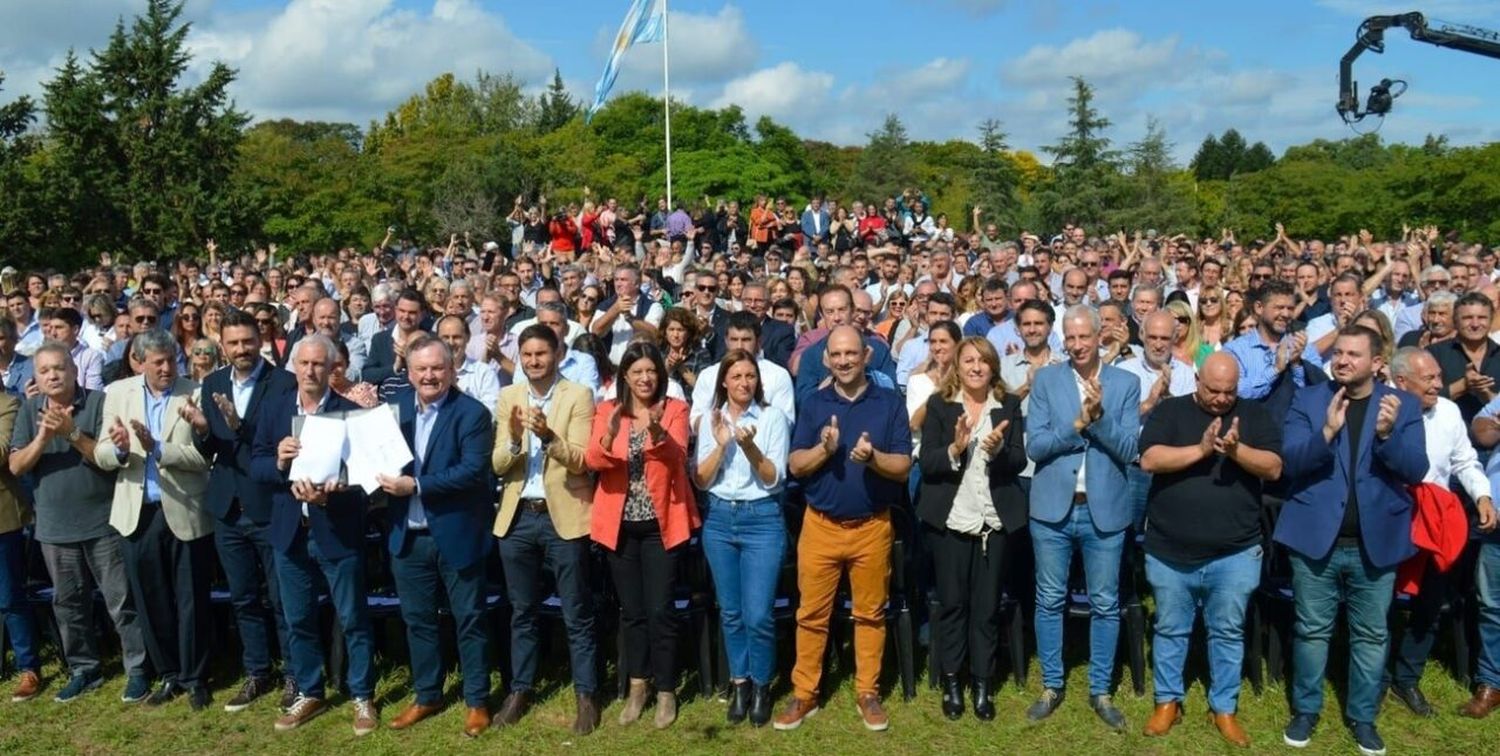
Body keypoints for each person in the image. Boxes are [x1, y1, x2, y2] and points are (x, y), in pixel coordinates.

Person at [1275, 326, 1427, 754]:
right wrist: (1325, 434)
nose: (1341, 360)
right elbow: (1290, 462)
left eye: (1353, 354)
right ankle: (1306, 710)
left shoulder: (1403, 406)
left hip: (1374, 543)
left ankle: (1362, 717)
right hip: (1316, 540)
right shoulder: (1309, 399)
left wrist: (1386, 436)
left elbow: (1415, 469)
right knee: (1311, 630)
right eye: (1338, 352)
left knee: (1371, 634)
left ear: (1377, 363)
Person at [1137, 353, 1283, 747]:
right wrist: (1200, 451)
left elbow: (1273, 467)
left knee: (1228, 631)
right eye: (1213, 390)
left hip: (1235, 551)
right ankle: (1168, 701)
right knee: (1170, 629)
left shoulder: (1255, 415)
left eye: (1229, 392)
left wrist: (1236, 452)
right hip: (1171, 548)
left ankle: (1223, 707)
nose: (1221, 399)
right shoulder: (1170, 412)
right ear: (1197, 379)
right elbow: (1149, 459)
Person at [777, 326, 913, 733]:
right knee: (811, 615)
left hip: (872, 526)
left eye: (851, 353)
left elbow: (903, 468)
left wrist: (872, 459)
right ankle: (805, 693)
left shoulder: (890, 402)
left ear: (866, 355)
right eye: (836, 355)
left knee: (871, 614)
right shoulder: (815, 403)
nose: (843, 361)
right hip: (820, 526)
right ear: (826, 359)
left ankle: (867, 692)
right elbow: (795, 466)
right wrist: (825, 449)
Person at [6, 343, 150, 703]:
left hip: (102, 522)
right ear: (36, 376)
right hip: (54, 527)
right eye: (44, 371)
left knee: (121, 602)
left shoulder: (100, 403)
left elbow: (107, 460)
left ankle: (137, 669)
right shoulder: (28, 410)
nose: (53, 375)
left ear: (73, 370)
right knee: (69, 605)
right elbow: (16, 466)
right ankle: (84, 669)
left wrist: (71, 432)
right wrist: (43, 436)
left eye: (59, 368)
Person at [251, 334, 378, 736]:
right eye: (303, 364)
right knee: (298, 617)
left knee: (353, 617)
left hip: (336, 528)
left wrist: (335, 492)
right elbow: (254, 465)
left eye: (319, 364)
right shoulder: (274, 409)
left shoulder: (349, 412)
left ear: (332, 368)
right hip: (290, 530)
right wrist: (277, 461)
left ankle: (362, 695)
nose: (310, 371)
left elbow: (366, 479)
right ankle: (310, 690)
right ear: (294, 367)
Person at [1025, 304, 1141, 730]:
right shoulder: (1047, 381)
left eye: (1084, 337)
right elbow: (1035, 447)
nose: (1076, 345)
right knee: (1049, 599)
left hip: (1104, 511)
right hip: (1054, 509)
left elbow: (1130, 450)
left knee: (1105, 603)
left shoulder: (1125, 384)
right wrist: (1076, 424)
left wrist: (1099, 420)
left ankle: (1101, 689)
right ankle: (1052, 684)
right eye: (1069, 338)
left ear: (1100, 337)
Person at [376, 337, 495, 738]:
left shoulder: (473, 413)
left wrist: (418, 486)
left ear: (451, 370)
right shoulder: (393, 415)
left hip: (457, 534)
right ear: (408, 373)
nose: (429, 376)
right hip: (408, 538)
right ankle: (428, 694)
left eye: (437, 368)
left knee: (470, 621)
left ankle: (477, 700)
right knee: (418, 622)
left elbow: (474, 470)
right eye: (421, 369)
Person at [93, 329, 214, 710]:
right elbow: (100, 453)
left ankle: (196, 677)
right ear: (139, 362)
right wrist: (121, 449)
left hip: (183, 509)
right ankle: (169, 674)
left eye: (170, 360)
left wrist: (158, 449)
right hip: (137, 513)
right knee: (151, 598)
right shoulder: (118, 394)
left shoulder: (194, 392)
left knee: (191, 598)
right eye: (157, 362)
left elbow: (204, 459)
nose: (165, 368)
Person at [491, 324, 601, 734]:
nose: (534, 361)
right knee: (522, 611)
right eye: (527, 355)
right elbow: (499, 465)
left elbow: (582, 460)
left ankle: (587, 694)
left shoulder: (578, 395)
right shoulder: (509, 397)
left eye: (541, 353)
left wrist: (548, 437)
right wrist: (518, 440)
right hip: (518, 516)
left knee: (577, 612)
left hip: (564, 516)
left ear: (557, 354)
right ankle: (520, 689)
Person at [585, 341, 698, 729]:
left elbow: (678, 456)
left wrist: (656, 431)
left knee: (660, 610)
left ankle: (666, 689)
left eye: (651, 371)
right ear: (625, 377)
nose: (645, 378)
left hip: (661, 525)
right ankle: (638, 685)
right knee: (631, 613)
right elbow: (594, 461)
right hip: (620, 525)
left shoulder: (675, 410)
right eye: (637, 372)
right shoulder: (607, 411)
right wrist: (608, 435)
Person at [192, 310, 299, 712]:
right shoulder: (213, 382)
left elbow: (281, 447)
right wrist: (203, 429)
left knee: (280, 597)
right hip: (227, 508)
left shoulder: (283, 383)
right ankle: (257, 672)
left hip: (268, 504)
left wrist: (240, 427)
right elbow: (211, 452)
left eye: (248, 342)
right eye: (233, 343)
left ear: (261, 340)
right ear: (222, 345)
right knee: (243, 598)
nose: (241, 349)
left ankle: (294, 674)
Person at [917, 337, 1027, 721]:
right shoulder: (939, 405)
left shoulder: (1008, 406)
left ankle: (982, 683)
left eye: (984, 361)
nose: (976, 367)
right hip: (950, 520)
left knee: (985, 607)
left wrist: (997, 452)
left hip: (992, 522)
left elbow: (1018, 460)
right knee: (953, 603)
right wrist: (955, 449)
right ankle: (952, 681)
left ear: (993, 367)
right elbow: (928, 462)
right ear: (957, 367)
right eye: (969, 361)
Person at [1385, 347, 1496, 717]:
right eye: (1429, 378)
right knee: (1379, 601)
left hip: (1435, 521)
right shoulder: (1381, 408)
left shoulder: (1447, 411)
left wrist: (1482, 494)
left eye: (1437, 376)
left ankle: (1407, 677)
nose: (1439, 384)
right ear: (1402, 382)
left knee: (1430, 603)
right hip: (1391, 516)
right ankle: (1375, 675)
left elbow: (1464, 459)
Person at [693, 349, 791, 728]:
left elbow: (773, 478)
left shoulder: (772, 418)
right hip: (719, 518)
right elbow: (701, 479)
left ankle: (763, 684)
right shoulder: (711, 420)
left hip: (761, 519)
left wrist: (748, 446)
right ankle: (740, 683)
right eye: (736, 377)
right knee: (731, 612)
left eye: (750, 376)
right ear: (724, 382)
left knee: (759, 614)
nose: (744, 383)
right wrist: (721, 443)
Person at [0, 387, 43, 703]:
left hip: (3, 518)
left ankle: (29, 668)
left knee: (9, 597)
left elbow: (3, 450)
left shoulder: (8, 403)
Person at [688, 311, 794, 435]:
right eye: (734, 339)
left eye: (746, 339)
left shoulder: (778, 376)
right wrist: (721, 429)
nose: (739, 345)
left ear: (759, 341)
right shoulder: (708, 375)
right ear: (726, 341)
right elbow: (695, 421)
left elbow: (786, 424)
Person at [435, 315, 500, 414]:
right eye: (445, 337)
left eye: (456, 337)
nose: (451, 342)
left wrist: (456, 390)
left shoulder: (484, 373)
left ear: (468, 337)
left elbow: (489, 416)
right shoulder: (428, 373)